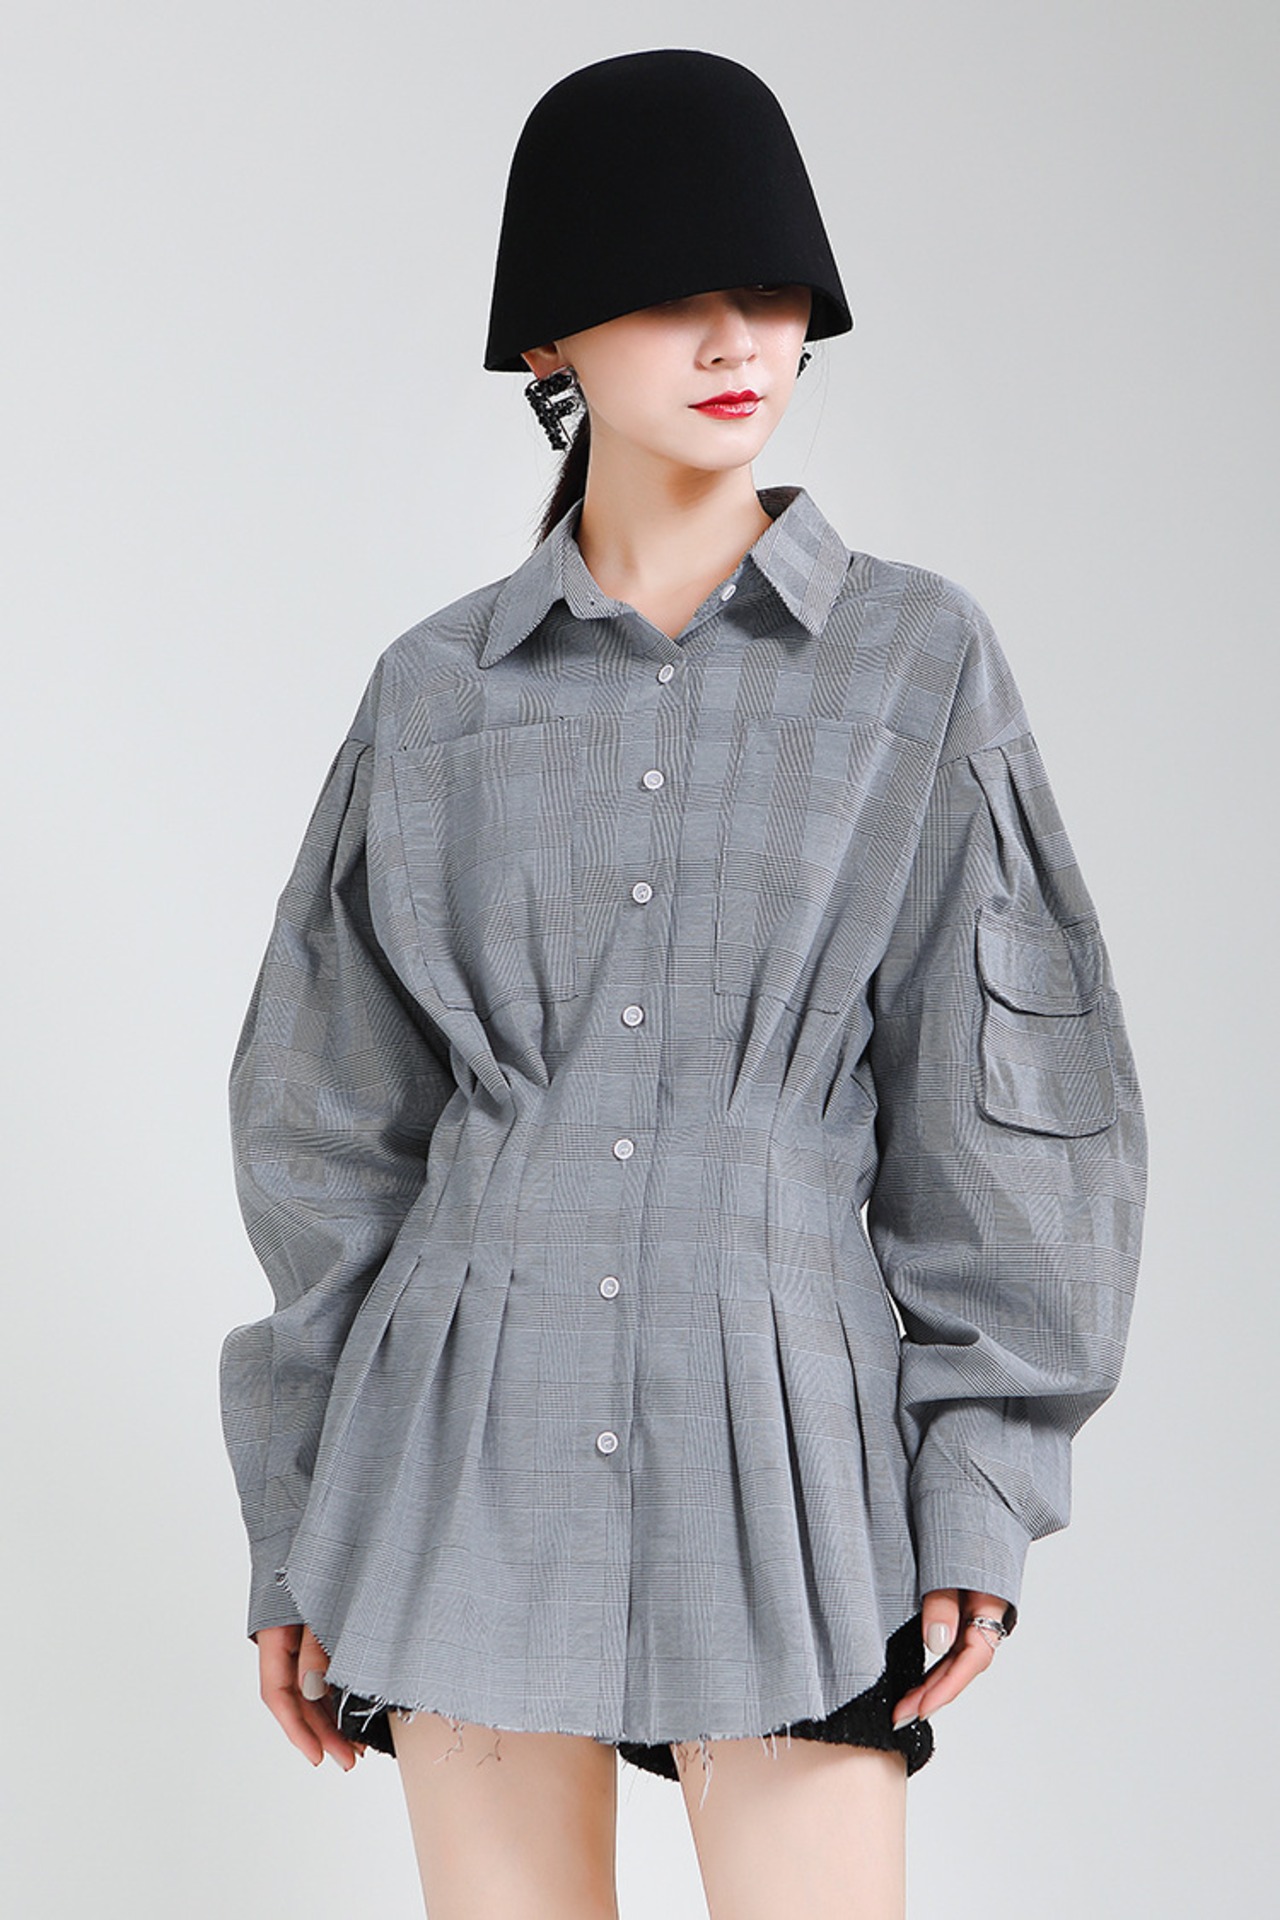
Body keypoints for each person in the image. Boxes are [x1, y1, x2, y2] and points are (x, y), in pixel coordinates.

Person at [220, 48, 1147, 1920]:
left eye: (771, 289)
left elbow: (1014, 1115)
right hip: (457, 1443)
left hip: (790, 1443)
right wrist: (299, 1519)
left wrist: (980, 1479)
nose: (737, 338)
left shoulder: (914, 660)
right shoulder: (435, 694)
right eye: (666, 295)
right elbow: (325, 1133)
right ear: (550, 340)